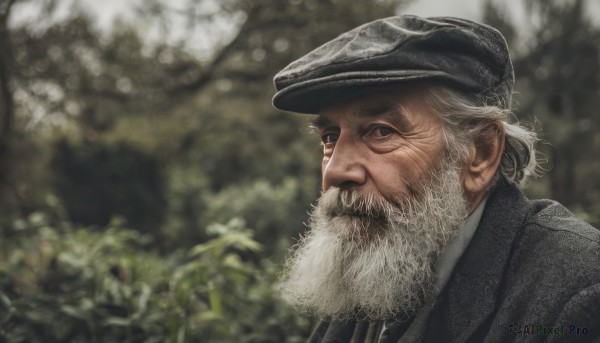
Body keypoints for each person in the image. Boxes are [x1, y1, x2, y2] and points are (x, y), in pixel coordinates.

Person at [271, 15, 600, 343]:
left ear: (480, 154)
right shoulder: (374, 267)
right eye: (330, 136)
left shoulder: (578, 295)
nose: (335, 171)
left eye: (381, 131)